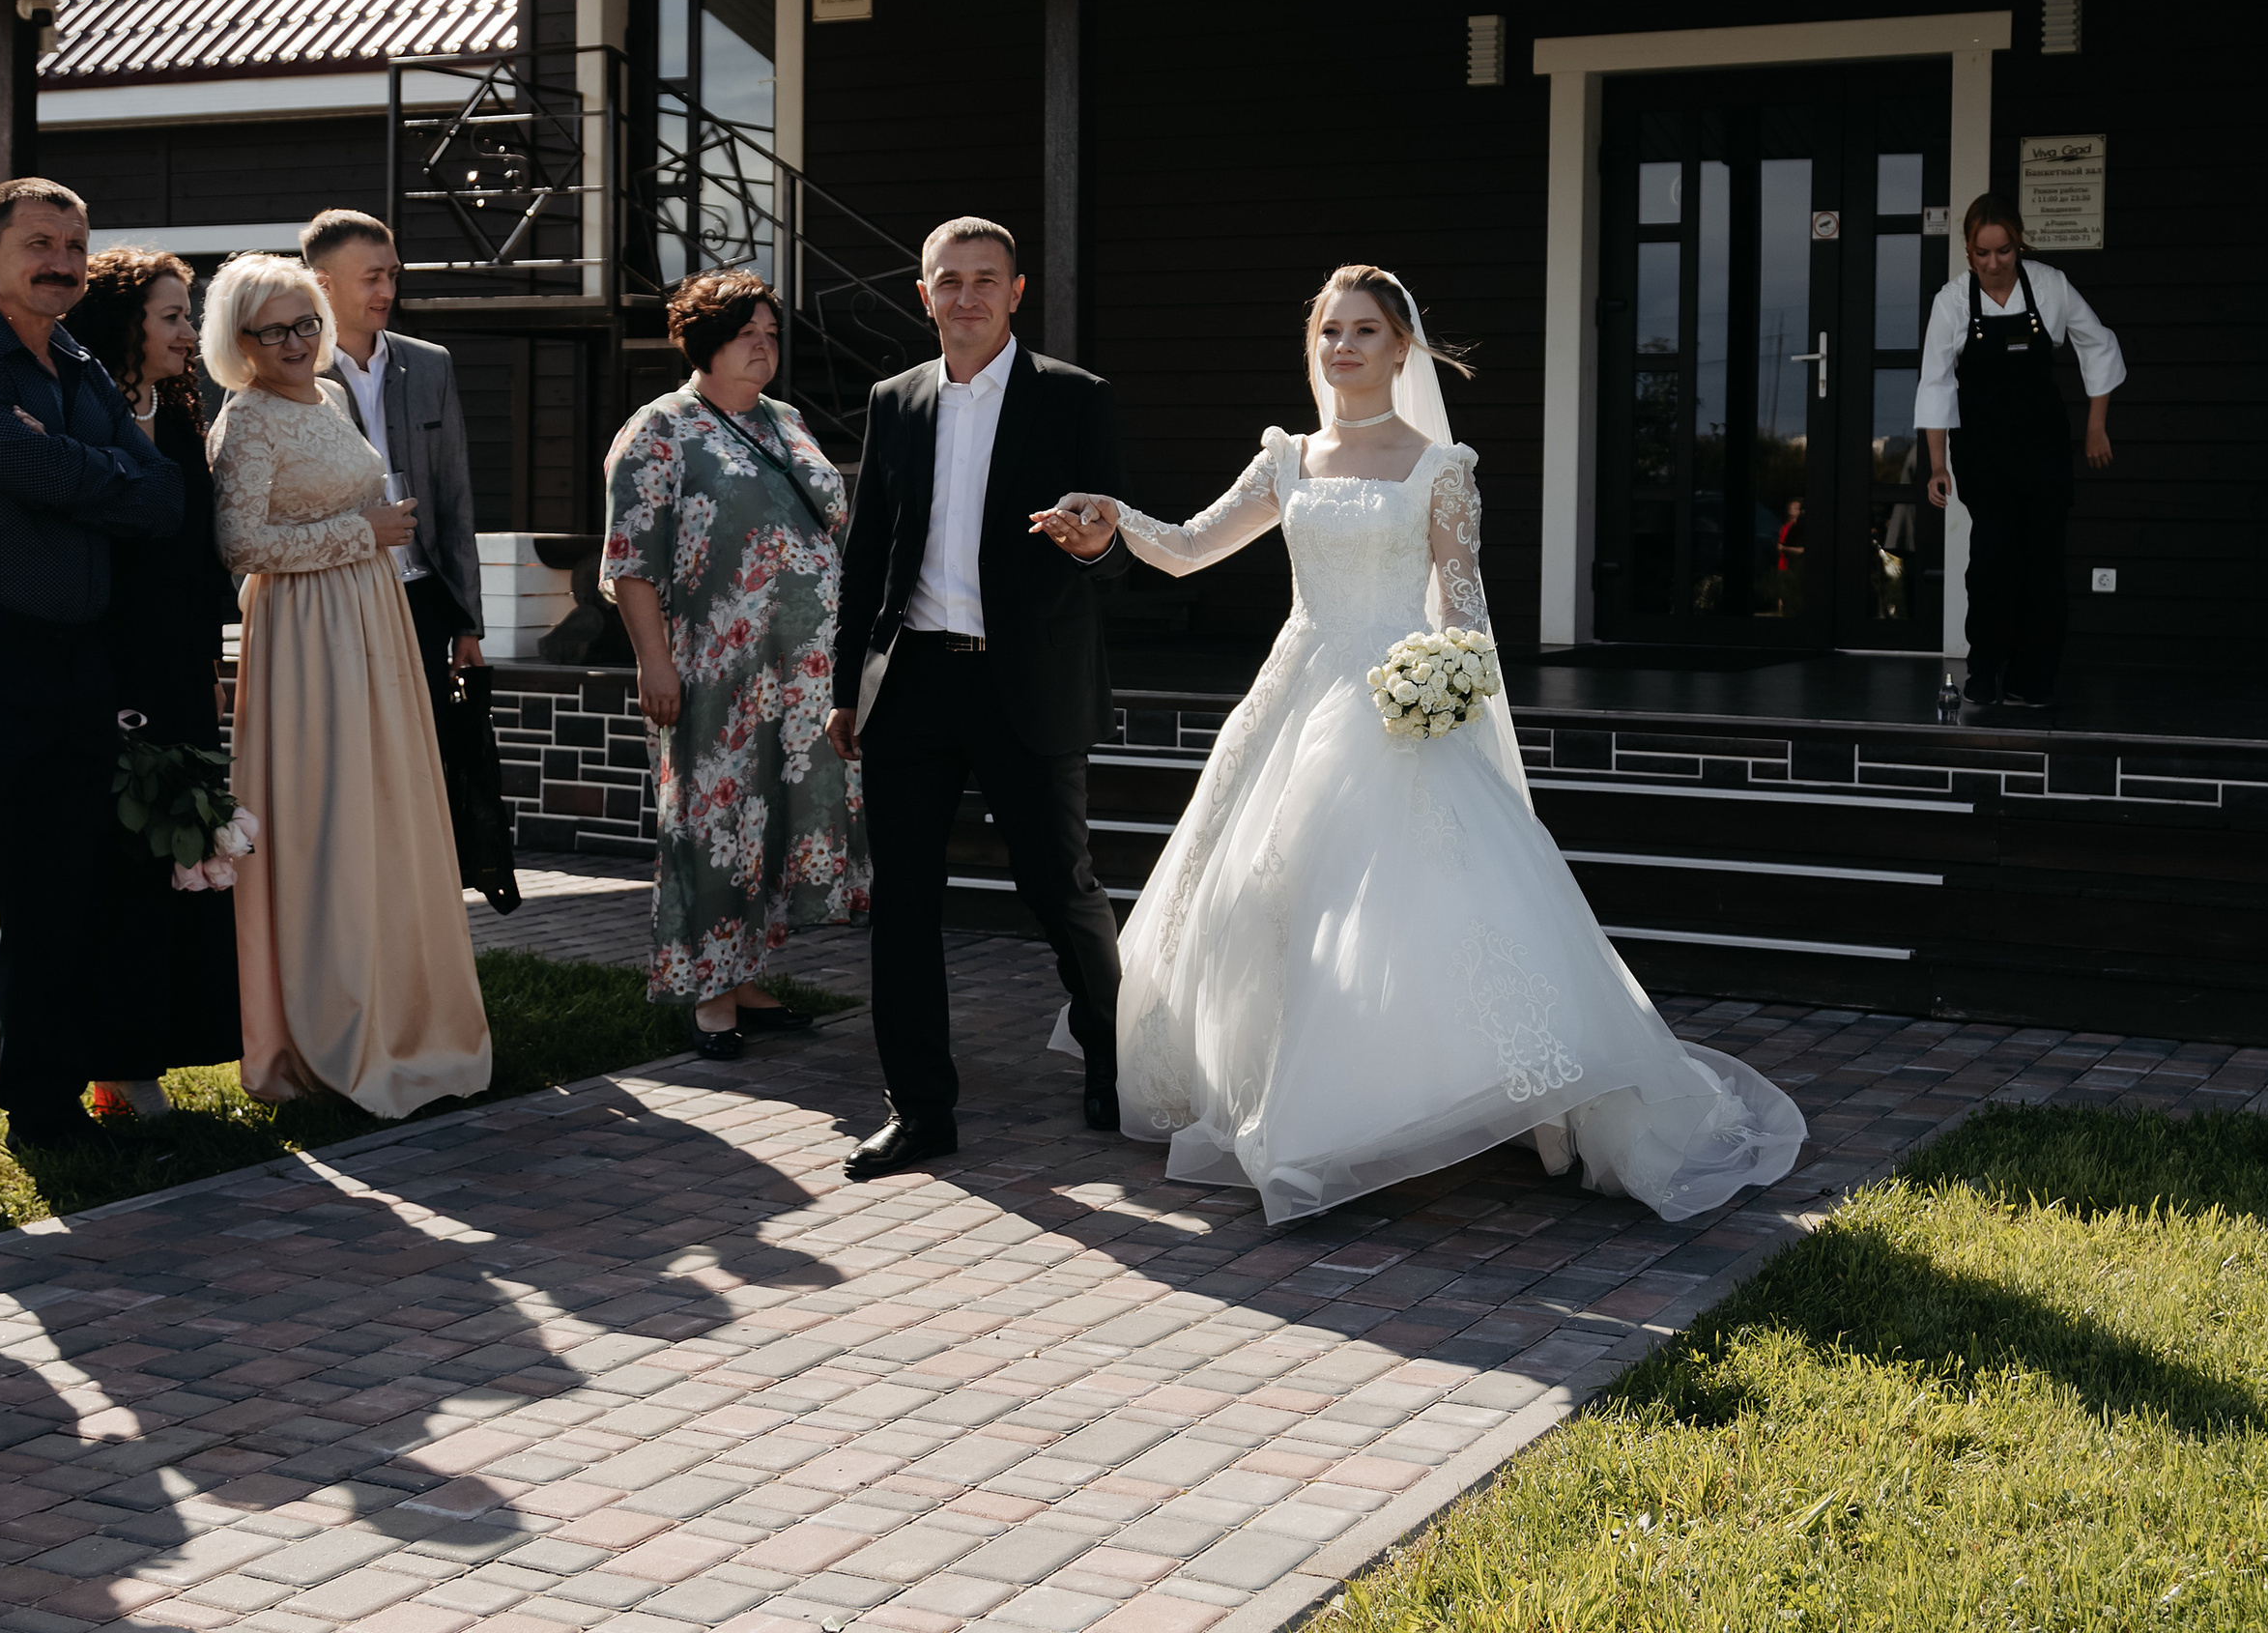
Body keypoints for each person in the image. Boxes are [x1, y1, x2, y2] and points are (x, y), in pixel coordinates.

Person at [1036, 262, 1801, 1227]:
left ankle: (1399, 1105)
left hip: (1394, 712)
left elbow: (1464, 608)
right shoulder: (1287, 458)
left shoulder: (1439, 470)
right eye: (1329, 331)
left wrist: (1446, 690)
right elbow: (1189, 544)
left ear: (1402, 347)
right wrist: (1111, 522)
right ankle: (1292, 1104)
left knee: (1405, 908)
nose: (1343, 347)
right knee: (1267, 896)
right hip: (1293, 695)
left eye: (1363, 330)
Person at [826, 215, 1127, 1181]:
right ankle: (918, 1111)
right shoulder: (895, 399)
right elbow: (866, 553)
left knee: (1057, 887)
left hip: (1022, 683)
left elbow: (1118, 537)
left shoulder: (1075, 399)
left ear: (1016, 291)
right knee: (902, 905)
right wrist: (846, 687)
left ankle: (1113, 1061)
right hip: (912, 680)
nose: (966, 296)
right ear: (923, 294)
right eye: (948, 279)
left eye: (985, 279)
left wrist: (1096, 545)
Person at [206, 252, 491, 1118]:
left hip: (372, 618)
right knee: (328, 814)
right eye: (273, 330)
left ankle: (413, 1020)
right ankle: (332, 1031)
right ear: (240, 342)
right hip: (304, 636)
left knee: (388, 808)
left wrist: (369, 539)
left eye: (304, 323)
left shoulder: (328, 397)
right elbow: (240, 546)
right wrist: (356, 531)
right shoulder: (246, 421)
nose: (294, 341)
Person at [601, 270, 868, 1057]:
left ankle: (747, 976)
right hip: (717, 669)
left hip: (803, 676)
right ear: (705, 341)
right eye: (748, 333)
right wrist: (655, 664)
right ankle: (709, 994)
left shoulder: (785, 420)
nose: (764, 346)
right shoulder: (660, 428)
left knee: (774, 822)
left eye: (772, 334)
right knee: (716, 824)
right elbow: (632, 563)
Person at [0, 180, 182, 1152]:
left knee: (58, 897)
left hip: (77, 669)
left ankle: (45, 1112)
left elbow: (163, 498)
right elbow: (14, 466)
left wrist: (60, 461)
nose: (61, 259)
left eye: (74, 243)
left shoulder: (82, 365)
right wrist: (84, 472)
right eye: (39, 242)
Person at [71, 248, 241, 1118]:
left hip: (178, 670)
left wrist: (208, 674)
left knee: (180, 863)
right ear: (126, 319)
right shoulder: (80, 410)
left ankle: (156, 1057)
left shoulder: (180, 415)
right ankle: (116, 1069)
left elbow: (198, 556)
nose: (188, 331)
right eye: (173, 315)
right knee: (115, 871)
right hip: (98, 670)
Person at [1919, 194, 2124, 722]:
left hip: (2043, 446)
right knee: (1992, 561)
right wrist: (1937, 463)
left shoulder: (2050, 285)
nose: (1993, 264)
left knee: (2043, 564)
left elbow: (2098, 345)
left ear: (2019, 244)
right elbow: (1936, 383)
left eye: (2004, 251)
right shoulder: (1953, 302)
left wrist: (2095, 425)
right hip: (1984, 450)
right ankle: (1985, 673)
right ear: (1967, 249)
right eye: (1981, 253)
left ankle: (2034, 679)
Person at [303, 209, 485, 706]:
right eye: (371, 278)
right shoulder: (287, 373)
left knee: (424, 759)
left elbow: (454, 498)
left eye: (392, 275)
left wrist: (468, 622)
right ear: (322, 283)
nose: (387, 290)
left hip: (422, 600)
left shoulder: (431, 365)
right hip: (332, 600)